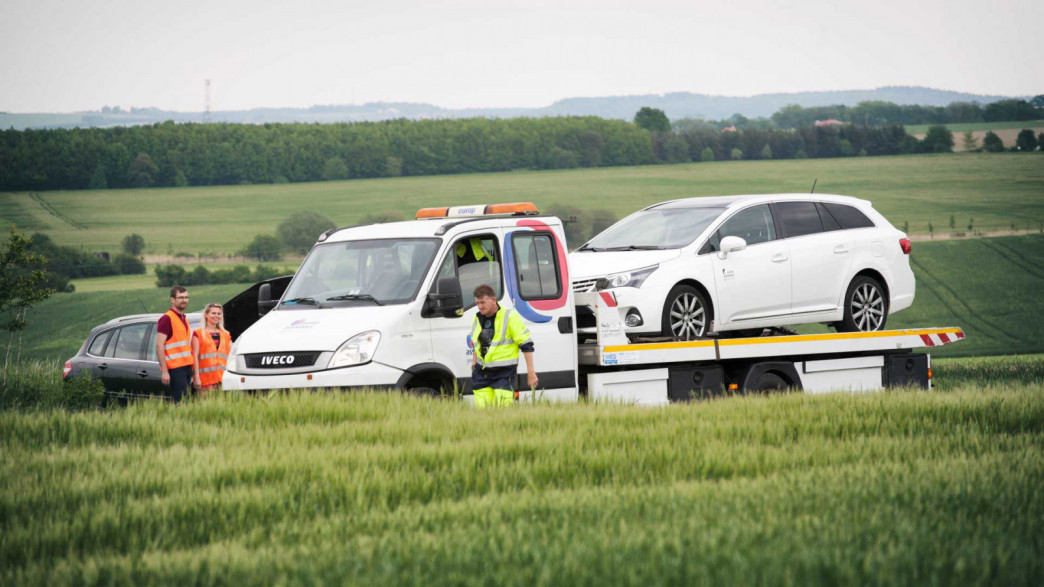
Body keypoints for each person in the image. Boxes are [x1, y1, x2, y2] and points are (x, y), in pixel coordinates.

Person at [470, 284, 537, 408]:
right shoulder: (477, 318)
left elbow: (526, 345)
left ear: (494, 300)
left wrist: (531, 372)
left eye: (483, 302)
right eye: (477, 303)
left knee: (502, 415)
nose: (479, 306)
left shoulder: (510, 316)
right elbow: (475, 344)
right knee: (483, 417)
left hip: (503, 374)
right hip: (481, 375)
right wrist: (474, 365)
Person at [155, 286, 193, 403]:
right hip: (175, 369)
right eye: (181, 297)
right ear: (172, 300)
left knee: (186, 401)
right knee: (180, 402)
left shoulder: (183, 318)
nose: (184, 300)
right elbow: (159, 346)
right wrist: (165, 371)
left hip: (186, 367)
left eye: (186, 297)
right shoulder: (167, 319)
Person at [191, 302, 231, 398]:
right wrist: (196, 377)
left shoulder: (226, 334)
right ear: (206, 314)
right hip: (205, 381)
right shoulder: (198, 334)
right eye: (213, 313)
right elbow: (195, 357)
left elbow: (231, 357)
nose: (216, 316)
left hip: (222, 380)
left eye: (219, 313)